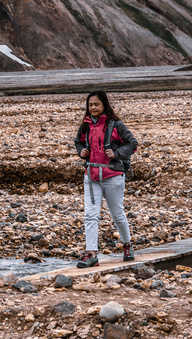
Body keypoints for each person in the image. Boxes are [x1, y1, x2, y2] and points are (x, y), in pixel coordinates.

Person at [73, 90, 138, 267]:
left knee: (117, 213)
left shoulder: (116, 125)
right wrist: (81, 152)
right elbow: (78, 142)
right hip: (92, 176)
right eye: (90, 105)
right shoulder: (86, 125)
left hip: (113, 175)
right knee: (90, 215)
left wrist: (116, 154)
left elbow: (132, 143)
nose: (92, 107)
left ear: (104, 105)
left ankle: (127, 245)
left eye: (96, 104)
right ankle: (91, 254)